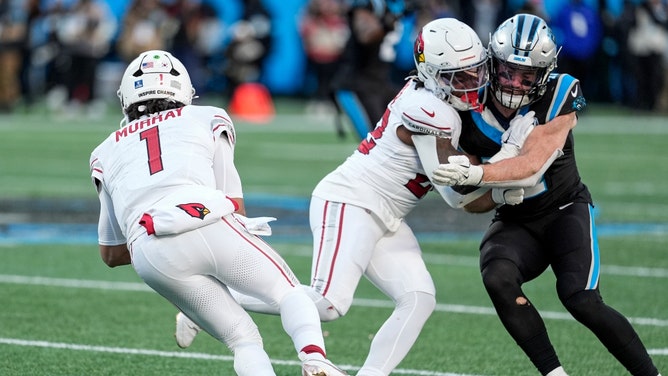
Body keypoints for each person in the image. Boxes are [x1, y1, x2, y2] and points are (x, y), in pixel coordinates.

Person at [177, 18, 510, 376]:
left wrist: (506, 186)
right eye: (456, 78)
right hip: (352, 200)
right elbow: (456, 191)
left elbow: (459, 192)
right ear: (430, 74)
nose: (471, 85)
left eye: (474, 73)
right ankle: (207, 304)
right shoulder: (429, 110)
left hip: (385, 213)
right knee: (328, 303)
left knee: (419, 297)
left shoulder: (439, 104)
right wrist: (512, 174)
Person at [89, 50, 347, 376]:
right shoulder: (207, 116)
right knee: (289, 292)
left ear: (127, 97)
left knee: (243, 340)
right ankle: (314, 359)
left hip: (149, 247)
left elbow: (111, 253)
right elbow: (233, 204)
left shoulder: (103, 151)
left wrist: (158, 235)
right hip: (203, 215)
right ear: (183, 90)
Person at [431, 14, 663, 376]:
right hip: (516, 216)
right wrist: (486, 192)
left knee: (582, 299)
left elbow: (533, 164)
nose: (514, 83)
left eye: (527, 76)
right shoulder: (466, 104)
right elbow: (461, 197)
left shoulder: (561, 90)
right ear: (491, 63)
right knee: (497, 276)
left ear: (545, 73)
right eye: (507, 70)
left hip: (565, 209)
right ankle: (555, 374)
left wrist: (477, 172)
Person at [331, 0, 411, 140]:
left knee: (404, 136)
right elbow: (365, 35)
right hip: (356, 86)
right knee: (374, 143)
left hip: (383, 82)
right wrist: (387, 23)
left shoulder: (399, 5)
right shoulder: (368, 4)